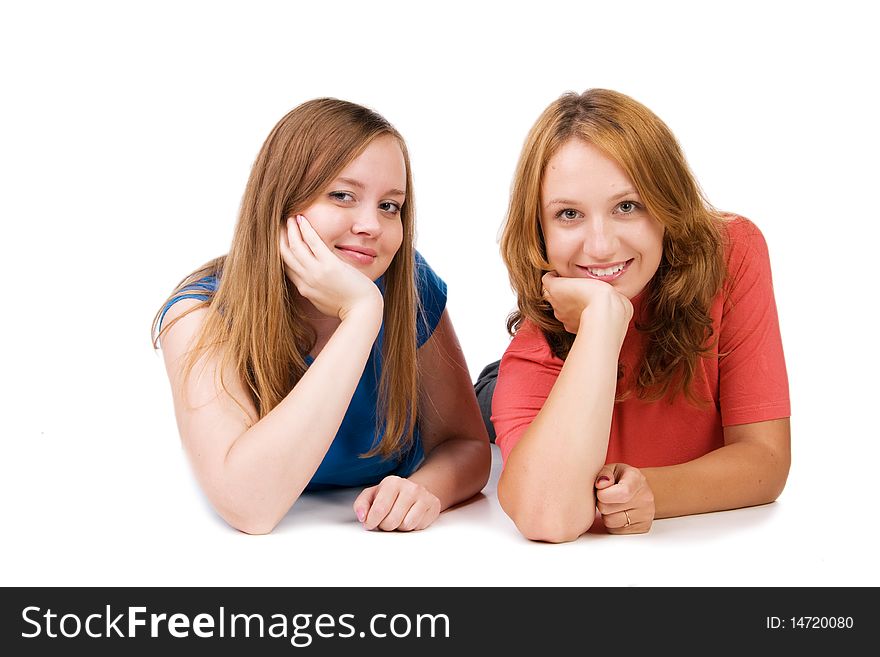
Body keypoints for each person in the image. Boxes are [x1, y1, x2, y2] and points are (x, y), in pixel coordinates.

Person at [153, 98, 490, 535]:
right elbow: (250, 507)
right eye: (342, 196)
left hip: (490, 404)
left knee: (499, 403)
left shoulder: (408, 283)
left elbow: (466, 444)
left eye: (390, 206)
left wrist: (426, 489)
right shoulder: (197, 314)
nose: (371, 225)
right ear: (280, 202)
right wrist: (362, 314)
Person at [477, 89, 790, 542]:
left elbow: (766, 459)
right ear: (539, 231)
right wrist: (602, 317)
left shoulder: (732, 253)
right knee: (482, 407)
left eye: (627, 206)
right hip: (519, 384)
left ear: (667, 207)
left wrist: (652, 493)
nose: (601, 246)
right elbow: (547, 515)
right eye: (568, 214)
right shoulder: (533, 353)